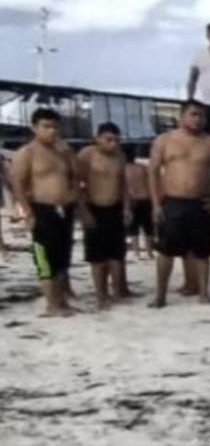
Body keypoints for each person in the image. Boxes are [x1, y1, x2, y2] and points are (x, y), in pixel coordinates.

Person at [148, 100, 210, 308]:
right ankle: (160, 296)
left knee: (202, 251)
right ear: (182, 116)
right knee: (166, 251)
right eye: (194, 114)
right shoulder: (164, 140)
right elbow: (152, 172)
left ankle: (204, 293)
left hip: (201, 203)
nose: (198, 119)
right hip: (172, 202)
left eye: (202, 116)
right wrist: (156, 204)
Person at [9, 108, 80, 317]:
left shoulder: (62, 151)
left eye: (55, 127)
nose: (51, 131)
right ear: (34, 128)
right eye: (46, 127)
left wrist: (74, 197)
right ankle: (51, 305)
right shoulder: (27, 152)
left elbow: (74, 176)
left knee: (62, 257)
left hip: (64, 209)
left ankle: (61, 301)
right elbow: (17, 184)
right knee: (45, 258)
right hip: (42, 209)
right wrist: (28, 213)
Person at [77, 123, 134, 308]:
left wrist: (126, 208)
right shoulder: (87, 154)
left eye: (116, 140)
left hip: (115, 208)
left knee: (117, 254)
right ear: (98, 138)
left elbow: (124, 184)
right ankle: (101, 294)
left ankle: (118, 291)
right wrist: (84, 211)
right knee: (97, 257)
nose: (113, 144)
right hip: (94, 208)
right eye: (108, 139)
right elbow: (77, 185)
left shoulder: (120, 156)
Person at [124, 145, 154, 260]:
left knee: (134, 229)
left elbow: (124, 189)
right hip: (146, 199)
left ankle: (137, 253)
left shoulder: (123, 170)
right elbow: (150, 183)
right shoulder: (142, 167)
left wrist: (125, 206)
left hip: (133, 201)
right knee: (148, 228)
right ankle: (149, 252)